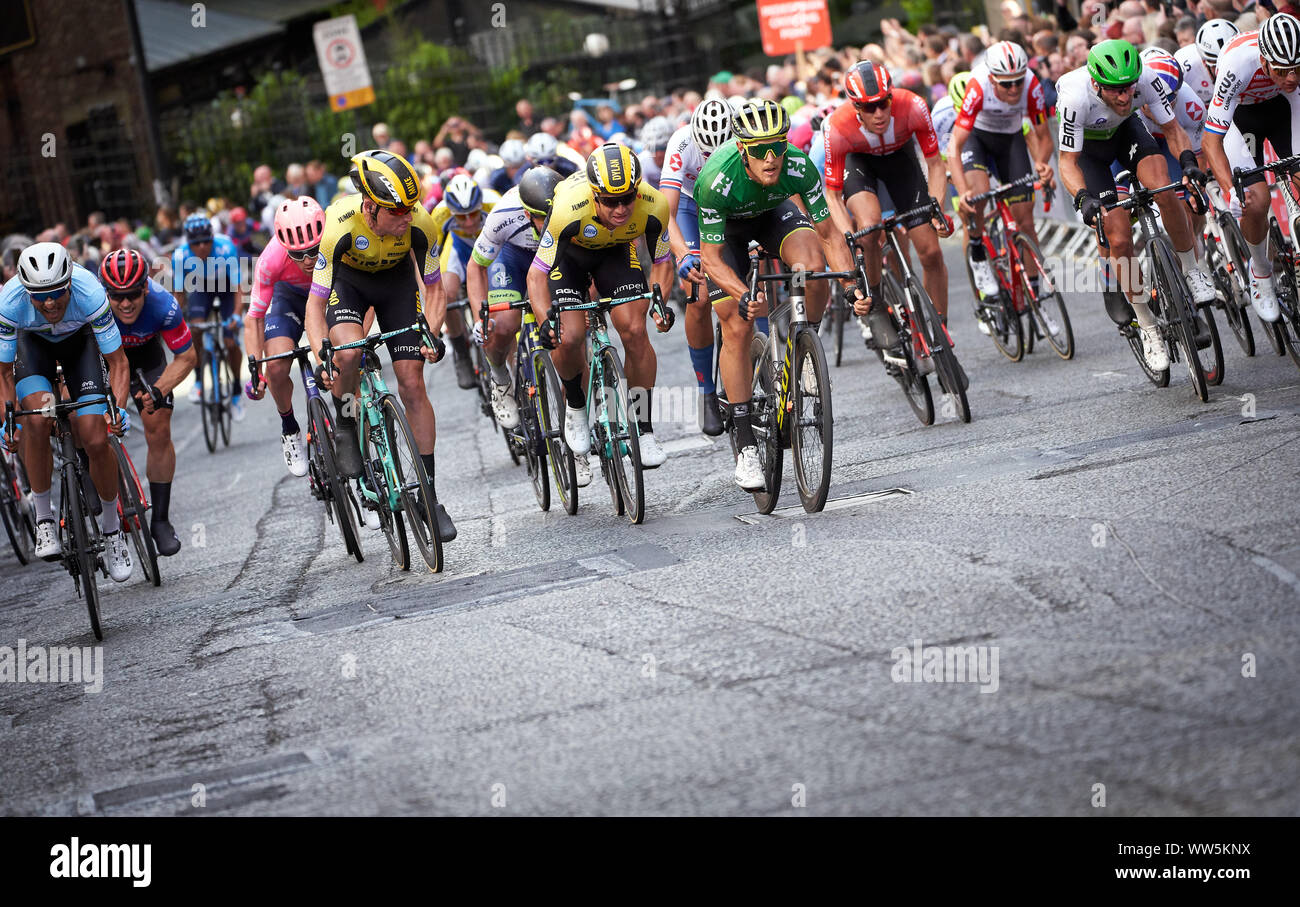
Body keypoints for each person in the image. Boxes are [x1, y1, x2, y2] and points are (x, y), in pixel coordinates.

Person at [694, 100, 861, 490]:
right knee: (736, 324)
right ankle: (747, 445)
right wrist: (742, 293)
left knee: (810, 267)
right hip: (728, 232)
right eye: (758, 150)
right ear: (741, 150)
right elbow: (712, 260)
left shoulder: (799, 166)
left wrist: (851, 287)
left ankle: (804, 344)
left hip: (772, 213)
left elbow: (830, 234)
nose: (771, 158)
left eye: (778, 146)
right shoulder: (716, 180)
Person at [303, 150, 456, 541]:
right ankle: (347, 420)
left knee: (412, 383)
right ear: (371, 207)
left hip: (396, 288)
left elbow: (435, 289)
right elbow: (316, 305)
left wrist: (432, 332)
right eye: (397, 211)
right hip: (348, 288)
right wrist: (323, 355)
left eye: (411, 208)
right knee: (350, 353)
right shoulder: (338, 224)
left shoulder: (421, 224)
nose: (408, 216)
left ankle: (429, 495)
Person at [1059, 39, 1215, 371]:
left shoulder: (1144, 80)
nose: (1126, 97)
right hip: (1090, 155)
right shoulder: (1074, 98)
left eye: (1129, 89)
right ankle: (1147, 325)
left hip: (1127, 134)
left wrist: (1188, 162)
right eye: (1116, 91)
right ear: (1096, 83)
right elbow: (1068, 162)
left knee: (1164, 188)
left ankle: (1191, 270)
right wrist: (1083, 198)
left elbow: (1172, 130)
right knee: (1117, 237)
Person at [526, 144, 677, 471]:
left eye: (627, 198)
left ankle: (644, 427)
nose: (621, 208)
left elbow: (664, 261)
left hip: (617, 253)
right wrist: (543, 322)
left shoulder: (653, 205)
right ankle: (576, 406)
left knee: (636, 331)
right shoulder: (568, 207)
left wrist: (659, 302)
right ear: (595, 195)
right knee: (570, 336)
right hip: (570, 259)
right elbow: (537, 275)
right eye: (610, 201)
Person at [0, 243, 132, 580]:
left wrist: (116, 409)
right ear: (25, 291)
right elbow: (2, 373)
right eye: (39, 296)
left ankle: (112, 530)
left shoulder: (90, 292)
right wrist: (7, 422)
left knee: (94, 435)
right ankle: (44, 519)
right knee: (38, 418)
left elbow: (117, 362)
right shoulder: (10, 302)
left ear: (69, 284)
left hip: (80, 347)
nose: (48, 303)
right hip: (33, 349)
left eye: (57, 293)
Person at [464, 167, 600, 484]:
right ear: (527, 213)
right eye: (541, 217)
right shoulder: (503, 215)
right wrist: (479, 316)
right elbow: (475, 267)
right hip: (512, 258)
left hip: (556, 256)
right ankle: (499, 375)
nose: (547, 220)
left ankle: (577, 449)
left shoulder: (571, 206)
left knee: (569, 341)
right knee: (504, 322)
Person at [821, 63, 954, 362]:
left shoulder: (914, 106)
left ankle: (939, 329)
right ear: (855, 107)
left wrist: (936, 207)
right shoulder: (837, 127)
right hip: (861, 166)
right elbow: (832, 194)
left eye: (883, 103)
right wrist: (847, 234)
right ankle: (876, 301)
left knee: (931, 252)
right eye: (869, 108)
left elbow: (935, 165)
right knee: (868, 230)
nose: (879, 114)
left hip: (901, 163)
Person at [949, 42, 1057, 333]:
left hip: (1010, 142)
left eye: (1018, 82)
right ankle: (978, 254)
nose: (1013, 90)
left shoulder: (1031, 85)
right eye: (1006, 84)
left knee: (1025, 221)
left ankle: (1035, 299)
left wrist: (1043, 164)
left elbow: (1044, 136)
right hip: (977, 141)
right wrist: (963, 192)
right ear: (992, 78)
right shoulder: (978, 86)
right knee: (978, 196)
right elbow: (954, 147)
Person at [1202, 14, 1300, 323]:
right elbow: (1210, 141)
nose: (1293, 77)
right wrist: (1230, 189)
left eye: (1298, 68)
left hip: (1285, 107)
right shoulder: (1237, 65)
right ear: (1263, 60)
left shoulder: (1292, 80)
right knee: (1256, 199)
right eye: (1283, 70)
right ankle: (1260, 273)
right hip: (1242, 118)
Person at [99, 249, 195, 556]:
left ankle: (161, 521)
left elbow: (186, 357)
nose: (125, 304)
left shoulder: (163, 304)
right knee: (91, 426)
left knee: (158, 425)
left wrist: (159, 389)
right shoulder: (93, 309)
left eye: (132, 295)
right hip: (102, 361)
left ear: (145, 288)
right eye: (117, 296)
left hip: (145, 357)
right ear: (106, 293)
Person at [660, 98, 735, 438]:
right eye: (707, 153)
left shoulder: (744, 134)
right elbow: (667, 214)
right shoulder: (681, 142)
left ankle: (768, 364)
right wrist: (682, 255)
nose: (712, 160)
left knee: (753, 280)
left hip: (732, 201)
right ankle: (706, 390)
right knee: (700, 295)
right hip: (692, 206)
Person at [243, 198, 325, 480]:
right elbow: (254, 317)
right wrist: (256, 370)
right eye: (297, 254)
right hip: (287, 299)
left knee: (343, 355)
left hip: (327, 293)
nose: (308, 260)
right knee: (276, 366)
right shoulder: (270, 259)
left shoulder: (336, 240)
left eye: (313, 251)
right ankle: (289, 428)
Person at [428, 172, 501, 390]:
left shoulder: (493, 202)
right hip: (458, 248)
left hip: (490, 246)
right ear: (451, 212)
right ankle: (461, 353)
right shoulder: (439, 214)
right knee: (447, 294)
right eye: (461, 217)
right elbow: (432, 257)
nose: (469, 222)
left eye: (474, 214)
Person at [170, 213, 246, 418]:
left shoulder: (226, 248)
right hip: (200, 289)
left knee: (231, 342)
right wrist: (177, 323)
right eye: (196, 243)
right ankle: (197, 380)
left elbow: (239, 288)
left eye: (206, 241)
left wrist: (237, 316)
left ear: (212, 239)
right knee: (194, 329)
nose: (202, 246)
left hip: (227, 288)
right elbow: (178, 295)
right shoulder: (180, 255)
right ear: (189, 243)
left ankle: (237, 391)